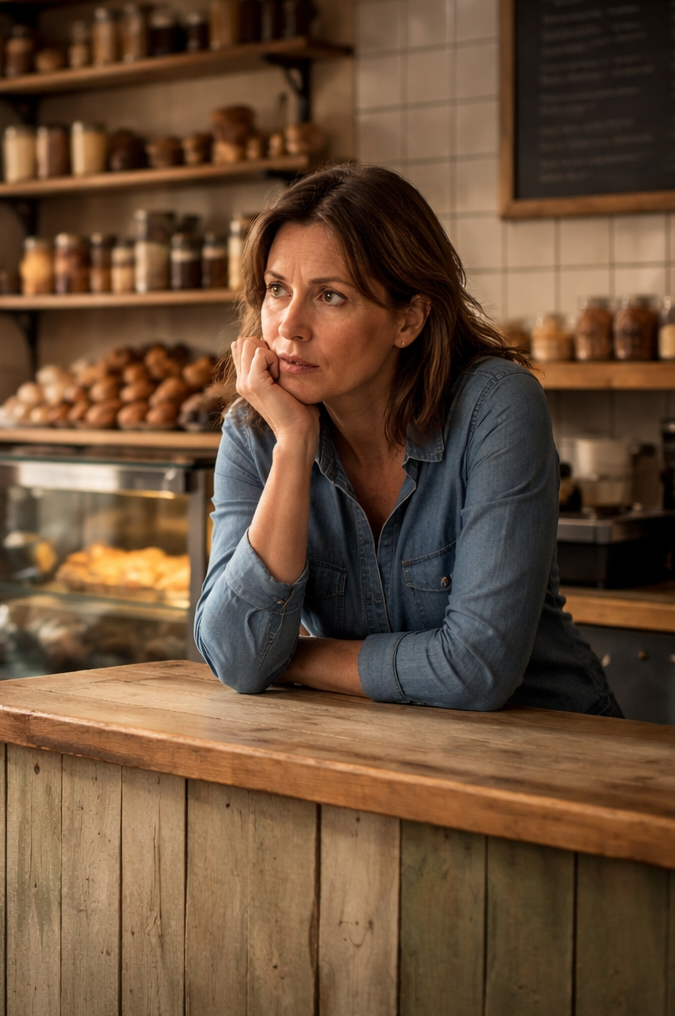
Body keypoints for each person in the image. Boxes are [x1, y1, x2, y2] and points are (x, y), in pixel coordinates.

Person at [194, 165, 620, 716]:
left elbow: (477, 670)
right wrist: (294, 445)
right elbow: (234, 655)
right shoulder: (257, 429)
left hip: (559, 754)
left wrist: (290, 660)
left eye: (330, 296)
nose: (288, 326)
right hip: (386, 757)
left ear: (409, 320)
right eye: (278, 290)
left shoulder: (496, 406)